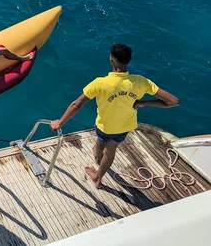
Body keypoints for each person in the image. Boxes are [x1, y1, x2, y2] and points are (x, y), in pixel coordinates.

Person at [50, 44, 179, 188]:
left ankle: (97, 163)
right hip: (125, 127)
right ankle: (98, 176)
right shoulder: (141, 81)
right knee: (111, 149)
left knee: (102, 140)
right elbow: (173, 102)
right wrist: (143, 103)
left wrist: (59, 123)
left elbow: (77, 104)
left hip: (104, 126)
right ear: (129, 60)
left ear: (111, 60)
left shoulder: (100, 83)